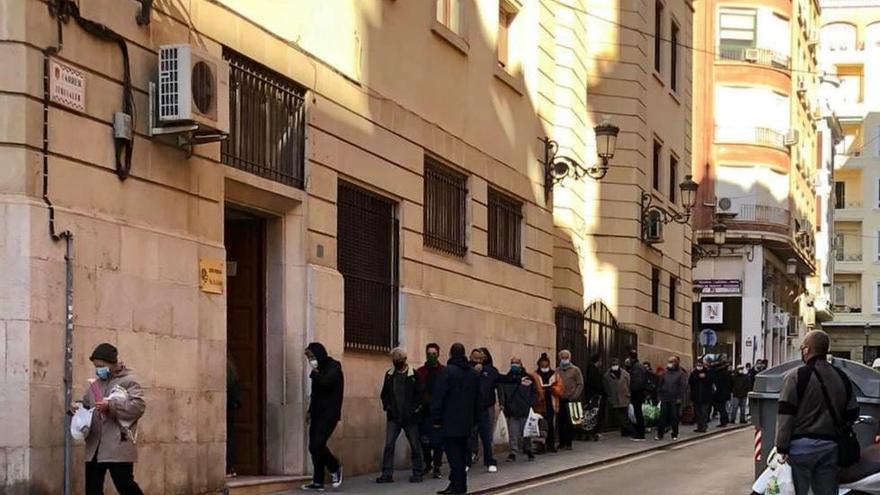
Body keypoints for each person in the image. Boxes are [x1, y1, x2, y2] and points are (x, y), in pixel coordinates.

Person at [776, 330, 859, 495]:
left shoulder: (796, 376)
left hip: (800, 449)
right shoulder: (842, 377)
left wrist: (782, 447)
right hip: (830, 448)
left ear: (807, 350)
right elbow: (853, 412)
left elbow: (786, 415)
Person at [74, 344, 146, 495]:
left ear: (112, 363)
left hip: (118, 443)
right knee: (92, 488)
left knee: (125, 484)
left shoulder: (128, 381)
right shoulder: (96, 384)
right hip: (95, 445)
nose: (98, 370)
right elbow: (87, 404)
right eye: (96, 366)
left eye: (101, 366)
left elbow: (138, 406)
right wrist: (76, 407)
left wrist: (111, 405)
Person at [432, 343, 482, 495]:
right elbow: (478, 399)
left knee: (455, 457)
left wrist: (436, 418)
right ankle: (456, 485)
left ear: (451, 354)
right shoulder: (473, 374)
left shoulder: (447, 372)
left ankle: (459, 486)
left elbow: (439, 396)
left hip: (450, 421)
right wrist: (475, 419)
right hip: (466, 422)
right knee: (460, 454)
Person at [377, 348, 425, 484]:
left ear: (404, 360)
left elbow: (421, 396)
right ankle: (387, 474)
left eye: (399, 361)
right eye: (395, 361)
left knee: (415, 445)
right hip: (394, 416)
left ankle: (417, 472)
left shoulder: (414, 375)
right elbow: (384, 394)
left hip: (410, 417)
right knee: (389, 445)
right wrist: (388, 407)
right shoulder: (389, 375)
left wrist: (415, 410)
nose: (397, 363)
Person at [302, 343, 344, 491]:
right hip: (317, 413)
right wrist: (310, 410)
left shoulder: (334, 367)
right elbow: (316, 394)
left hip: (329, 414)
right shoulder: (318, 369)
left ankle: (334, 467)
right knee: (313, 447)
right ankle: (318, 481)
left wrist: (314, 373)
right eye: (308, 357)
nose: (310, 360)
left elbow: (326, 383)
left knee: (317, 444)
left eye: (312, 356)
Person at [497, 357, 537, 462]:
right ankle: (513, 452)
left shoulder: (529, 378)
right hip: (512, 410)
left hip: (525, 409)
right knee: (513, 433)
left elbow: (534, 392)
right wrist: (504, 405)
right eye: (512, 363)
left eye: (516, 363)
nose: (514, 365)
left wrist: (531, 403)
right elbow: (502, 394)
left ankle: (529, 450)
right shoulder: (507, 379)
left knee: (527, 432)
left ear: (521, 364)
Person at [417, 343, 445, 479]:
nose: (431, 356)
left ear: (438, 354)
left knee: (438, 442)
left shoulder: (444, 371)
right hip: (424, 412)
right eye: (429, 353)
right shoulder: (421, 371)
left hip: (439, 413)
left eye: (434, 354)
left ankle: (437, 466)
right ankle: (428, 463)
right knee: (425, 441)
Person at [469, 347, 499, 472]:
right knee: (470, 436)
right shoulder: (466, 370)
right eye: (475, 358)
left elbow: (501, 379)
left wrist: (518, 380)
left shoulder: (490, 371)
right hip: (469, 409)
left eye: (480, 359)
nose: (478, 361)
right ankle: (468, 460)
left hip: (484, 408)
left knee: (486, 437)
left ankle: (489, 461)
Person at [535, 353, 564, 452]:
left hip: (551, 403)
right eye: (542, 366)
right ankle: (540, 446)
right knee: (540, 426)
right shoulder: (535, 375)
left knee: (551, 425)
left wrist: (552, 389)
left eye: (546, 365)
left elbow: (560, 389)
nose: (544, 367)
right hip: (539, 404)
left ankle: (551, 445)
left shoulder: (555, 375)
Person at [555, 349, 584, 450]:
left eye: (566, 357)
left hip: (572, 399)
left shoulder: (575, 370)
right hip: (560, 399)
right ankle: (561, 442)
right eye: (562, 357)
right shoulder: (557, 370)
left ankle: (569, 442)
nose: (564, 359)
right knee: (560, 422)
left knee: (571, 422)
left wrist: (575, 396)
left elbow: (580, 384)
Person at [655, 356, 687, 441]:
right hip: (665, 398)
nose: (669, 363)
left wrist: (680, 398)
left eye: (671, 362)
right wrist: (659, 396)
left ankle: (675, 434)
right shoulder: (664, 373)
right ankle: (660, 434)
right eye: (669, 361)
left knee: (674, 417)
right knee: (662, 417)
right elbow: (660, 385)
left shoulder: (681, 374)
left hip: (674, 398)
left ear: (676, 363)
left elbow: (683, 387)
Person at [603, 358, 632, 437]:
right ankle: (629, 429)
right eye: (613, 364)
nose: (614, 366)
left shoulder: (625, 373)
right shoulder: (607, 375)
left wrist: (629, 393)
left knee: (624, 415)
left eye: (616, 364)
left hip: (624, 397)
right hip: (614, 398)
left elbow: (629, 384)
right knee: (619, 416)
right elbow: (606, 387)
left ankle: (625, 431)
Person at [227, 354, 243, 478]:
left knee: (227, 437)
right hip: (231, 406)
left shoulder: (227, 368)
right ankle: (230, 467)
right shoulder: (232, 368)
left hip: (227, 406)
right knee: (229, 436)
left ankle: (228, 467)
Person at [626, 351, 648, 441]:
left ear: (631, 358)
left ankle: (640, 434)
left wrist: (632, 390)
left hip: (637, 393)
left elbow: (637, 382)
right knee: (638, 413)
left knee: (638, 413)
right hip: (640, 392)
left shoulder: (637, 367)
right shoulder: (639, 366)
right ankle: (640, 433)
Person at [689, 358, 713, 433]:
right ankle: (699, 426)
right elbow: (690, 381)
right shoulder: (694, 373)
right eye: (698, 364)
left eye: (700, 364)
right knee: (697, 413)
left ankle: (704, 426)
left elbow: (711, 380)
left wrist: (705, 377)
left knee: (704, 412)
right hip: (696, 397)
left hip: (705, 397)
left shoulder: (708, 372)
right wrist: (698, 377)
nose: (699, 366)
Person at [583, 353, 604, 441]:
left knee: (590, 414)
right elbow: (596, 384)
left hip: (591, 395)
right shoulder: (593, 370)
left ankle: (589, 433)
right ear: (598, 361)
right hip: (594, 396)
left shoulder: (591, 369)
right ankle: (592, 433)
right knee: (593, 415)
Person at [712, 358, 732, 427]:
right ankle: (725, 420)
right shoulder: (727, 373)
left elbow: (715, 383)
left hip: (719, 393)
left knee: (721, 408)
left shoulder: (718, 373)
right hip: (725, 393)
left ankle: (724, 421)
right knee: (723, 407)